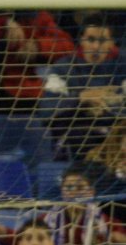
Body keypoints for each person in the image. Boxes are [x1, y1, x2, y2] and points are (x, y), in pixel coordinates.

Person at [38, 15, 126, 160]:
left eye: (103, 41)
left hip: (116, 138)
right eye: (91, 40)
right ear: (81, 40)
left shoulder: (123, 67)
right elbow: (46, 109)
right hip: (75, 138)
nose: (96, 47)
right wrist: (81, 99)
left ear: (112, 43)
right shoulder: (63, 68)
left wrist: (105, 107)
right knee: (79, 135)